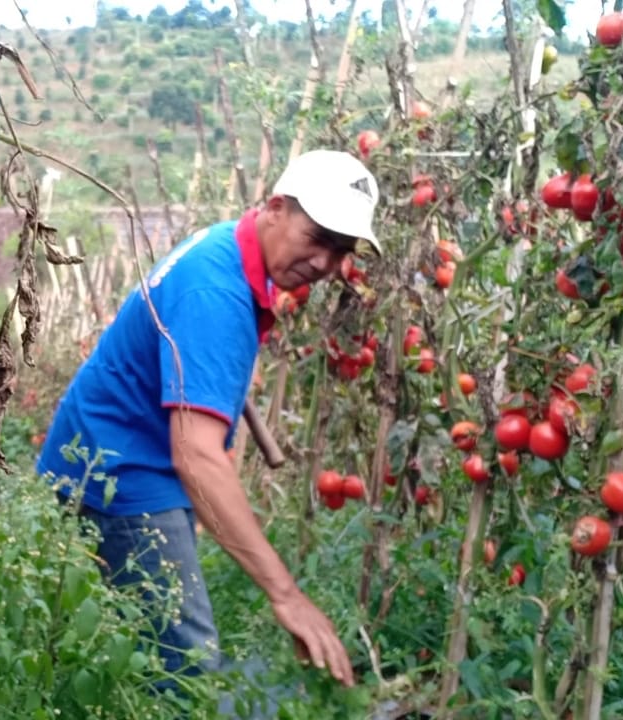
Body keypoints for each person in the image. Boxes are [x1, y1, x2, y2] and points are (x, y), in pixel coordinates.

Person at [35, 149, 381, 697]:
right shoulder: (216, 294)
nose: (325, 263)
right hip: (121, 472)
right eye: (318, 237)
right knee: (185, 670)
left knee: (142, 647)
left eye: (340, 250)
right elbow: (195, 455)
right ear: (276, 208)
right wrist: (286, 595)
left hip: (114, 452)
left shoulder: (230, 249)